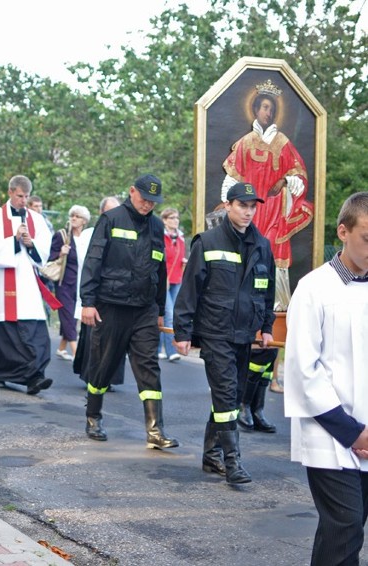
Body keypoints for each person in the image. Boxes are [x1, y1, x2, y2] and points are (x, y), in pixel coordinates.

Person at [284, 191, 368, 566]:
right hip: (331, 432)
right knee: (345, 524)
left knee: (349, 527)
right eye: (367, 237)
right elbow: (303, 369)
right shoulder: (315, 288)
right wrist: (351, 431)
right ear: (343, 231)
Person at [172, 182, 275, 484]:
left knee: (229, 397)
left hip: (245, 334)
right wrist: (182, 331)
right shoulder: (207, 241)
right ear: (228, 206)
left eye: (252, 206)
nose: (248, 212)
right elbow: (190, 290)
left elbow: (266, 292)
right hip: (216, 332)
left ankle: (210, 455)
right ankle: (233, 463)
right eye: (242, 205)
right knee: (228, 395)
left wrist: (266, 327)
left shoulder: (262, 245)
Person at [79, 174, 177, 449]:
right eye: (144, 199)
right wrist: (88, 301)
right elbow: (93, 260)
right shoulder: (111, 219)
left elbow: (161, 269)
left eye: (153, 202)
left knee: (149, 367)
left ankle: (155, 431)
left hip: (144, 309)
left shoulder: (157, 227)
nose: (148, 205)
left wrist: (159, 308)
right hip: (111, 305)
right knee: (103, 363)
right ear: (132, 192)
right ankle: (93, 417)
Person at [221, 79, 313, 310]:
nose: (268, 113)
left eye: (271, 109)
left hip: (275, 209)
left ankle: (276, 306)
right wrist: (226, 202)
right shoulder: (244, 143)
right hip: (250, 208)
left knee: (273, 248)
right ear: (255, 109)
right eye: (264, 107)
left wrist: (285, 180)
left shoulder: (283, 143)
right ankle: (243, 301)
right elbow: (232, 177)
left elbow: (299, 176)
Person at [0, 175, 54, 395]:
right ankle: (4, 374)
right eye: (20, 196)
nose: (23, 201)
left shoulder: (36, 220)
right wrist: (14, 240)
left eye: (27, 196)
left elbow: (44, 249)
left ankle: (35, 375)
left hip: (26, 284)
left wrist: (30, 244)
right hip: (0, 284)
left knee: (35, 332)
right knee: (5, 334)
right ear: (10, 192)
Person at [73, 196, 126, 390]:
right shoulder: (89, 234)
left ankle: (110, 378)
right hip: (98, 292)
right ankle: (92, 376)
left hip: (119, 294)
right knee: (94, 339)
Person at [49, 205, 91, 361]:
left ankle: (61, 348)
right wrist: (61, 252)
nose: (74, 218)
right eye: (72, 215)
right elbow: (49, 257)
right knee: (68, 314)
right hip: (64, 283)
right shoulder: (62, 236)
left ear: (84, 221)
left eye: (77, 216)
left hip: (82, 282)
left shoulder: (86, 239)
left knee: (73, 316)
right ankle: (76, 353)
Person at [159, 207, 186, 362]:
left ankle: (158, 349)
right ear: (165, 220)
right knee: (167, 314)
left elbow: (179, 257)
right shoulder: (162, 237)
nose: (175, 220)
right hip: (165, 281)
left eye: (177, 218)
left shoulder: (181, 239)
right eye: (171, 218)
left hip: (177, 280)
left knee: (170, 315)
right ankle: (171, 351)